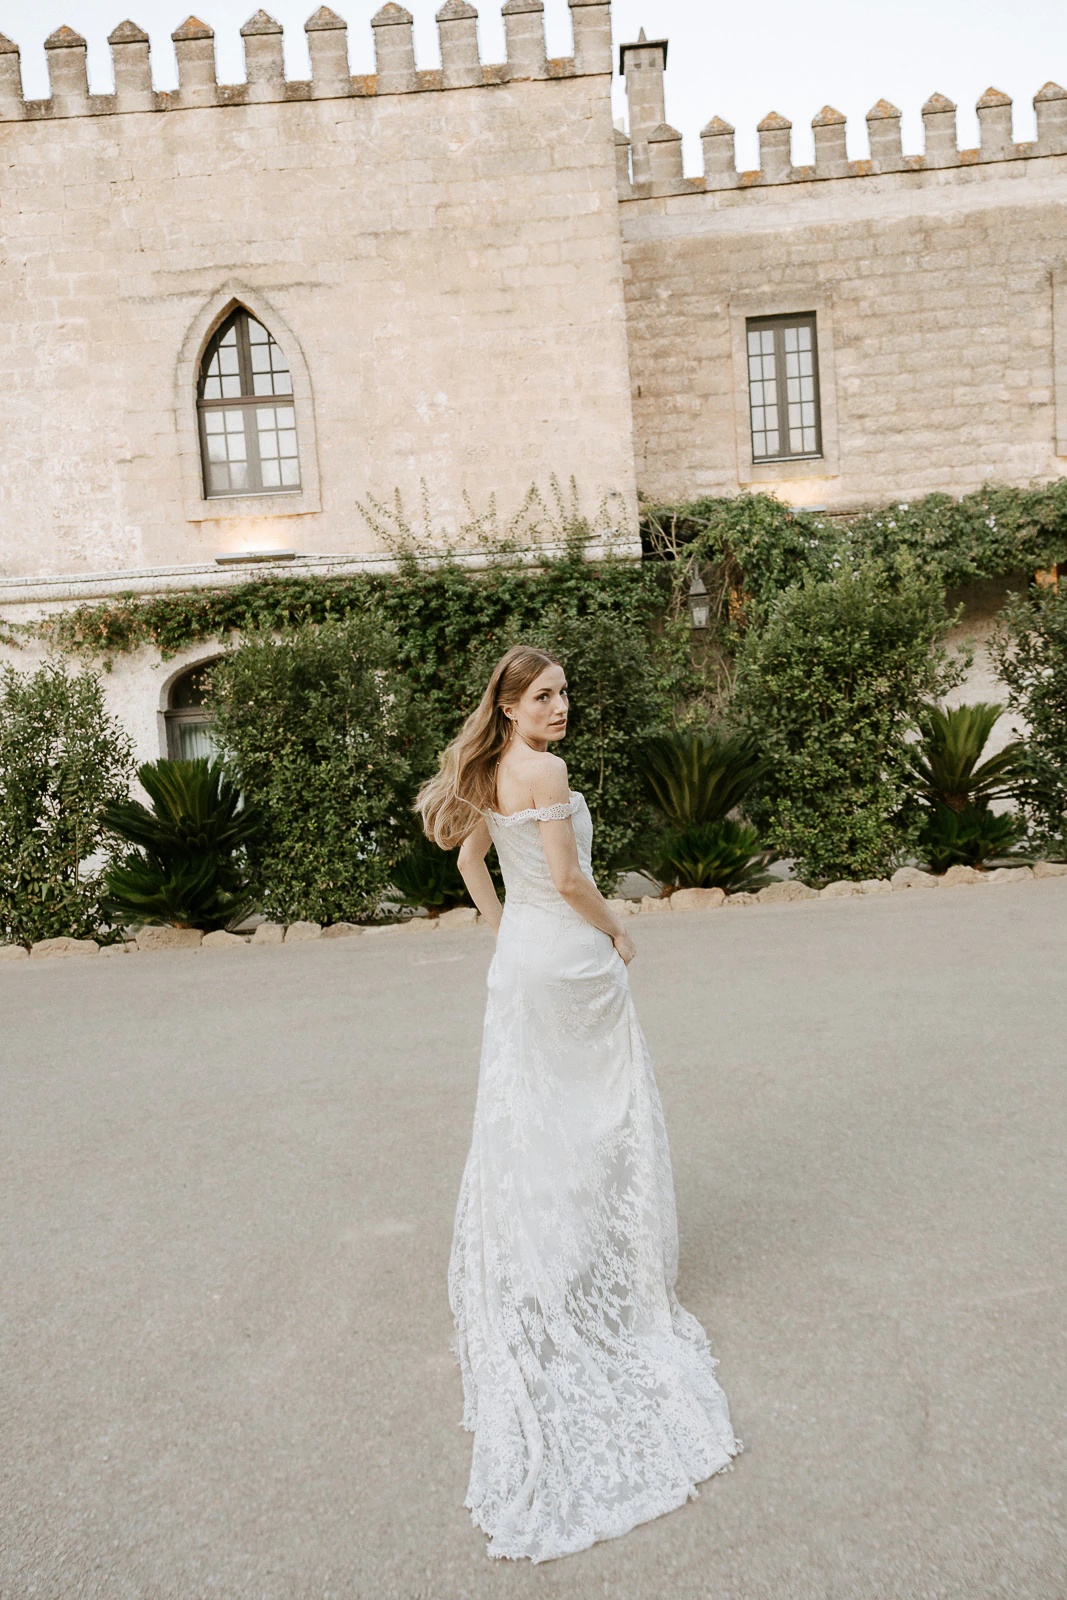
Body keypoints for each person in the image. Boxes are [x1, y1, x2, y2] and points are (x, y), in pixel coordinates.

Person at [417, 644, 739, 1563]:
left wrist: (500, 932)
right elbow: (564, 879)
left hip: (523, 963)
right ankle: (588, 1268)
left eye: (563, 692)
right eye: (542, 695)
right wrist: (621, 928)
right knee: (596, 1117)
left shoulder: (487, 771)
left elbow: (473, 862)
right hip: (570, 964)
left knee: (534, 1120)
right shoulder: (544, 769)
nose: (559, 707)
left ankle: (550, 1259)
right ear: (510, 705)